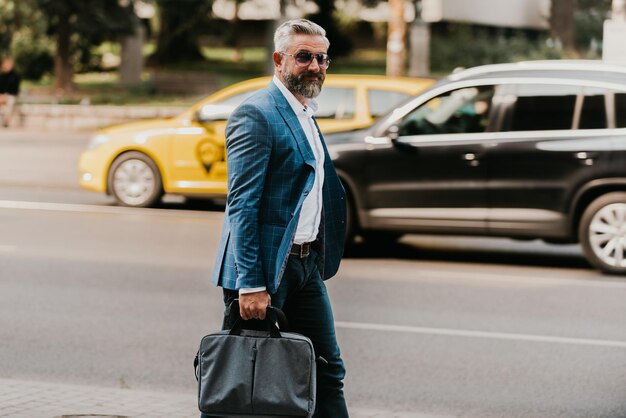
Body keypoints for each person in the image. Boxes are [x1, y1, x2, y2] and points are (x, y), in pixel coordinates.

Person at [209, 19, 349, 418]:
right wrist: (250, 284)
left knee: (326, 371)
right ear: (278, 59)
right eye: (304, 56)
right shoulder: (256, 114)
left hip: (305, 266)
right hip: (265, 272)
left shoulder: (305, 111)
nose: (315, 66)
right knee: (241, 377)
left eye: (322, 58)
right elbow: (243, 205)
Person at [0, 57, 20, 127]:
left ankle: (6, 121)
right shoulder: (2, 76)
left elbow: (14, 89)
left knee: (10, 102)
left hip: (11, 95)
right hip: (2, 96)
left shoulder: (15, 75)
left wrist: (5, 95)